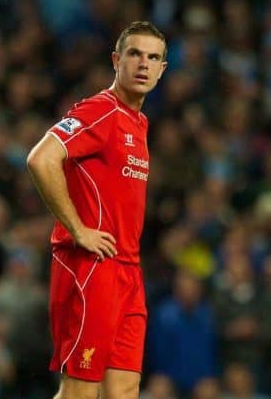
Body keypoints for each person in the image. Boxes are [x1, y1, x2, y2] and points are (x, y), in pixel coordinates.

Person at [26, 21, 168, 399]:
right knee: (79, 393)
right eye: (135, 54)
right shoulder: (100, 111)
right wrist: (78, 229)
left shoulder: (138, 122)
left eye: (153, 57)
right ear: (116, 60)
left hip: (128, 270)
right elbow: (41, 159)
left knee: (123, 392)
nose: (143, 64)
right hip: (92, 266)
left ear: (162, 69)